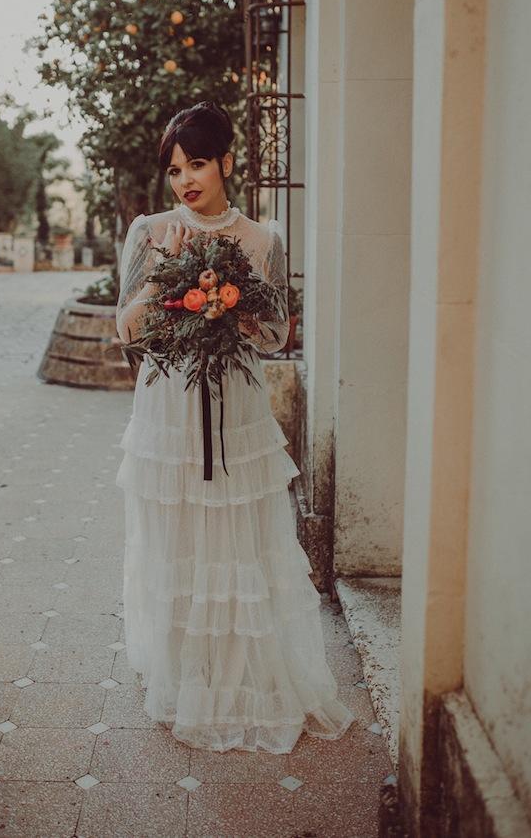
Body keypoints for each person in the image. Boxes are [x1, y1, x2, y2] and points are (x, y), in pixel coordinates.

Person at [114, 100, 357, 754]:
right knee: (178, 537)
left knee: (235, 539)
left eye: (196, 163)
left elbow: (277, 331)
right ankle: (185, 672)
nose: (184, 179)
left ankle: (235, 678)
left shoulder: (262, 237)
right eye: (173, 169)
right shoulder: (149, 230)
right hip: (167, 401)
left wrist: (232, 304)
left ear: (225, 160)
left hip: (235, 404)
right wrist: (167, 286)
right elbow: (124, 327)